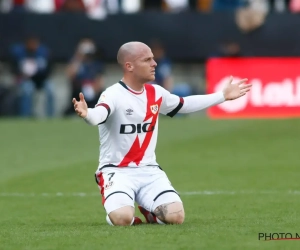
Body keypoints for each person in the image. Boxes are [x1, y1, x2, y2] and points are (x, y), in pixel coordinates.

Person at [72, 41, 252, 226]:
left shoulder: (156, 92)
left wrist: (222, 95)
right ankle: (125, 214)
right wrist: (87, 114)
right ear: (129, 66)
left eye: (153, 58)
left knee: (176, 216)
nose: (154, 63)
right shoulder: (113, 94)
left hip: (149, 171)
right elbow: (98, 115)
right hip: (116, 171)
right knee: (122, 218)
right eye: (147, 59)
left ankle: (150, 212)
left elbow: (185, 104)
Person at [10, 35, 54, 117]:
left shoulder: (43, 52)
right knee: (27, 90)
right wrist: (22, 74)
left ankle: (51, 117)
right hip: (26, 80)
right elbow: (14, 69)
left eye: (35, 43)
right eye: (31, 43)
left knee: (51, 89)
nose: (33, 45)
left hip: (41, 80)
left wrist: (40, 74)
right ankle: (25, 116)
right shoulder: (20, 53)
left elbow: (49, 69)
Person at [64, 38, 105, 116]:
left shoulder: (96, 64)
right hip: (79, 90)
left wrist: (93, 88)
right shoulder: (77, 62)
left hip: (93, 89)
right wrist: (79, 57)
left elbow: (100, 81)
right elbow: (70, 75)